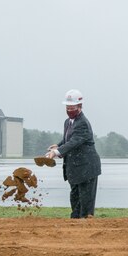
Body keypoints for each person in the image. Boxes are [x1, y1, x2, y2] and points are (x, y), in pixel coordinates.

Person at [45, 89, 102, 219]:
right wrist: (58, 146)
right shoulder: (68, 122)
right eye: (68, 107)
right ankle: (74, 224)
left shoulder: (82, 123)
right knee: (75, 198)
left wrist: (56, 152)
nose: (69, 110)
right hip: (75, 168)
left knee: (85, 202)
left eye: (72, 107)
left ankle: (86, 224)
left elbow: (74, 142)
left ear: (80, 106)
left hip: (87, 167)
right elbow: (68, 140)